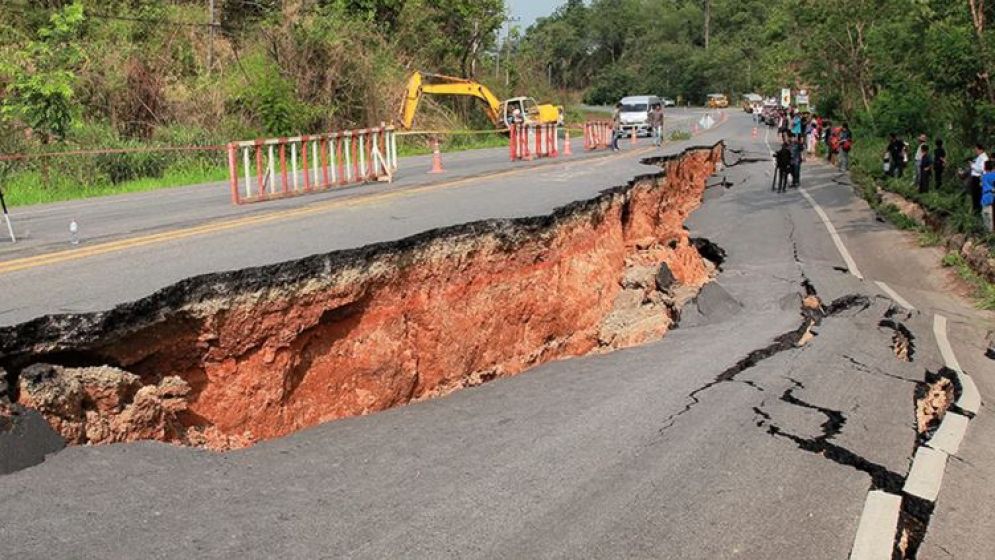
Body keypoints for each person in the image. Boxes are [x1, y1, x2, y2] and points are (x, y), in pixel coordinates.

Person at [969, 144, 988, 213]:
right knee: (975, 196)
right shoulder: (979, 157)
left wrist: (972, 166)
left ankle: (977, 211)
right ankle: (975, 210)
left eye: (976, 150)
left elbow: (981, 169)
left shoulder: (984, 158)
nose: (975, 151)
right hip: (975, 178)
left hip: (978, 178)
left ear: (981, 150)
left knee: (977, 196)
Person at [982, 160, 995, 232]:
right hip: (991, 196)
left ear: (984, 167)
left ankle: (988, 232)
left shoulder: (984, 176)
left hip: (986, 198)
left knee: (987, 217)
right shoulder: (993, 175)